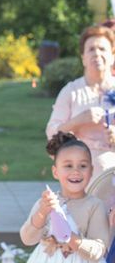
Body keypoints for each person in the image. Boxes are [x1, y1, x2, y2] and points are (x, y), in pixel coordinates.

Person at [20, 131, 109, 262]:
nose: (76, 171)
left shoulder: (94, 205)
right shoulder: (46, 203)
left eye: (83, 166)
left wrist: (70, 237)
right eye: (68, 166)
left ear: (91, 170)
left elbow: (98, 250)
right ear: (55, 172)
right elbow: (27, 239)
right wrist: (42, 213)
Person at [46, 25, 115, 183]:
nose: (97, 53)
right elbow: (51, 136)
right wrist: (79, 120)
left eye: (102, 49)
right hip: (80, 183)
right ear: (83, 57)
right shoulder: (70, 91)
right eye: (91, 49)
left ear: (112, 55)